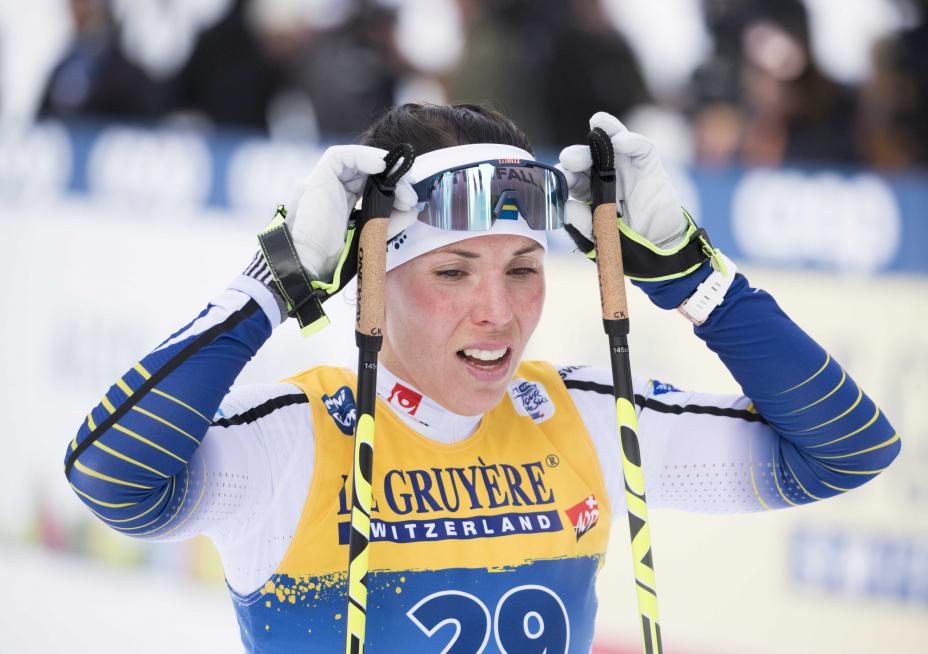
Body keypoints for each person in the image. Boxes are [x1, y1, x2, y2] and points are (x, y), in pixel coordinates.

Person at [63, 103, 900, 653]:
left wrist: (692, 276)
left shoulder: (584, 415)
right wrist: (272, 283)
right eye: (453, 272)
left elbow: (845, 449)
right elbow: (113, 479)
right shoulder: (293, 439)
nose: (497, 312)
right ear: (374, 280)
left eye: (523, 270)